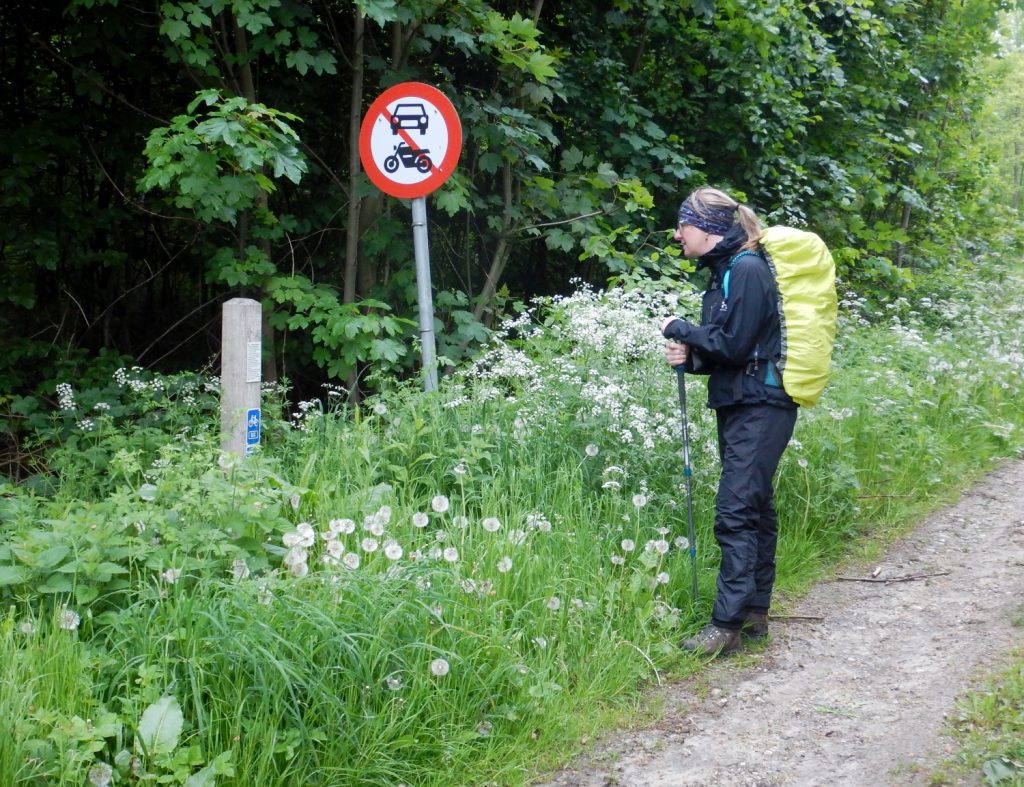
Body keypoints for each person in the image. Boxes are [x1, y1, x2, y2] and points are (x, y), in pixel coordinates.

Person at [660, 186, 797, 657]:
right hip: (743, 401)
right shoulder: (723, 274)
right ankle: (754, 611)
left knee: (736, 509)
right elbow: (728, 350)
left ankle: (726, 625)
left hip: (763, 404)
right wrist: (690, 356)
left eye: (684, 225)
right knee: (755, 506)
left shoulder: (748, 269)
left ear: (708, 228)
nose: (678, 234)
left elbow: (735, 345)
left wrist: (681, 329)